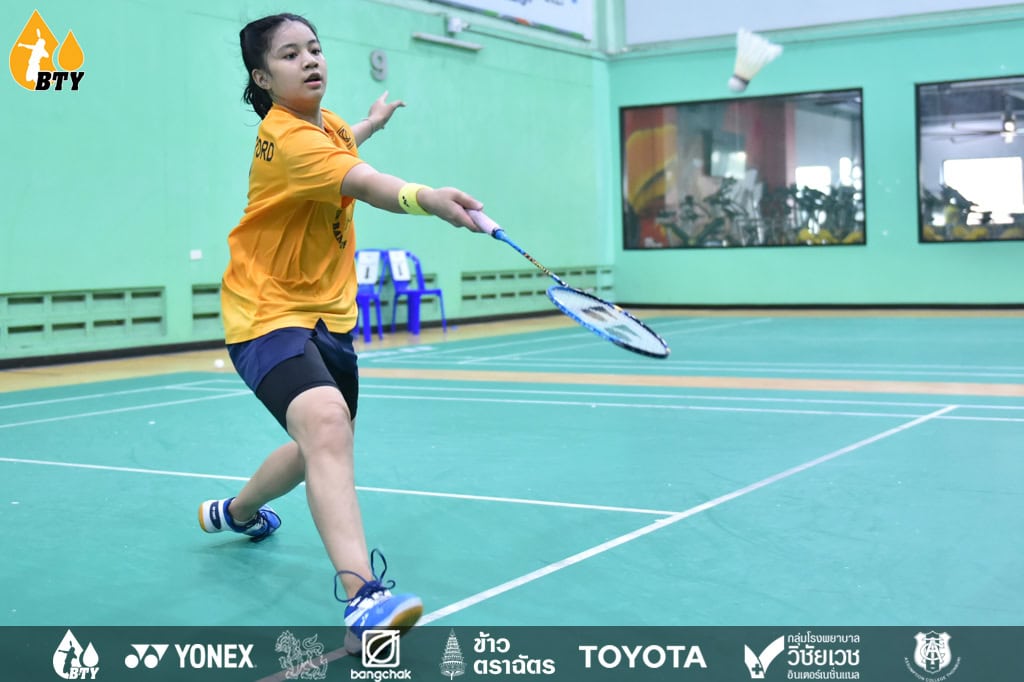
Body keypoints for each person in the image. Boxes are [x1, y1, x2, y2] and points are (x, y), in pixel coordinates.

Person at [196, 12, 486, 646]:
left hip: (329, 315)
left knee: (317, 445)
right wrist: (428, 199)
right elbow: (365, 183)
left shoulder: (322, 125)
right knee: (327, 424)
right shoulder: (288, 140)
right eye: (290, 54)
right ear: (262, 77)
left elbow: (343, 144)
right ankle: (364, 599)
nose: (310, 60)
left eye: (315, 48)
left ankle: (237, 512)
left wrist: (371, 124)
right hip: (266, 313)